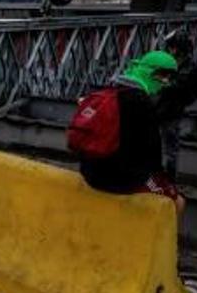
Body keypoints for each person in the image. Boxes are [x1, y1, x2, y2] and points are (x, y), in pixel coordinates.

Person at [77, 51, 185, 216]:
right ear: (149, 72)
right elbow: (152, 157)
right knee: (177, 203)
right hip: (120, 181)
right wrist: (167, 185)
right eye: (163, 76)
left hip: (90, 173)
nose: (165, 83)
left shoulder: (107, 92)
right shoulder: (142, 103)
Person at [156, 29, 197, 181]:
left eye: (172, 47)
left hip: (171, 112)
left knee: (170, 150)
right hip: (160, 109)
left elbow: (178, 87)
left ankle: (169, 182)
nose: (170, 50)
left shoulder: (191, 68)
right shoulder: (172, 64)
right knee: (156, 146)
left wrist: (163, 81)